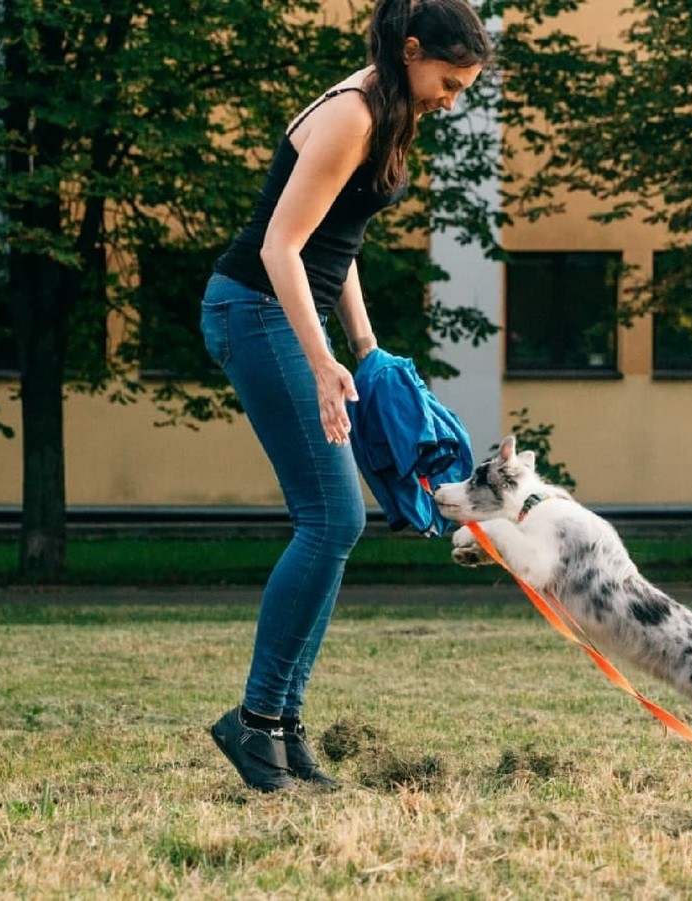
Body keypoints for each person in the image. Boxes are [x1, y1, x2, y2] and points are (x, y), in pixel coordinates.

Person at [201, 0, 492, 793]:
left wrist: (365, 350)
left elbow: (341, 240)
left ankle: (283, 726)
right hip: (254, 308)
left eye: (463, 89)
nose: (450, 99)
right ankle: (257, 723)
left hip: (280, 313)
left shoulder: (386, 111)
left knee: (336, 522)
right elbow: (281, 246)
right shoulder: (354, 116)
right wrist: (323, 357)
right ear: (410, 51)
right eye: (448, 81)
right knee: (333, 516)